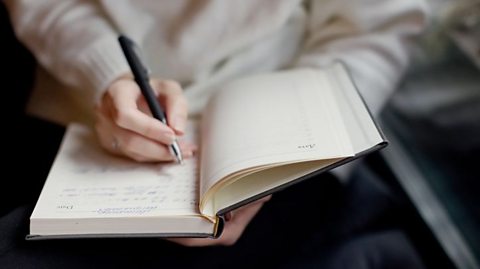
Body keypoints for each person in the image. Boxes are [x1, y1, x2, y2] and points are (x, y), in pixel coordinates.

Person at [1, 0, 430, 268]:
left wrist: (282, 147)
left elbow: (374, 29)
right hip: (76, 104)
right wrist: (104, 72)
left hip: (281, 124)